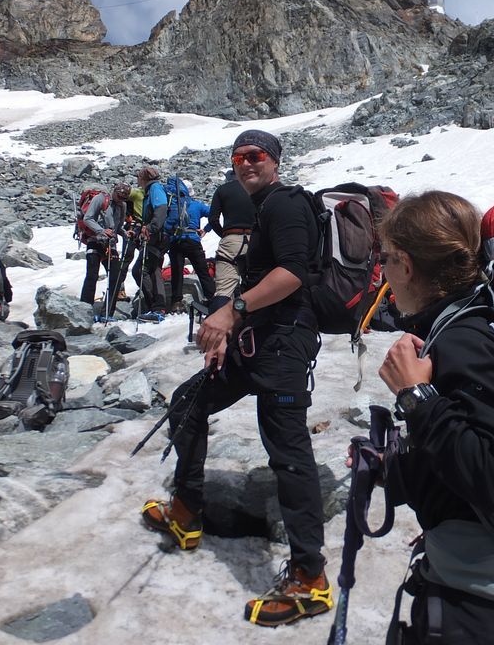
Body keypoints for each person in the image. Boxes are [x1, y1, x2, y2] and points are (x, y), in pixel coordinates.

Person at [141, 130, 330, 628]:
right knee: (187, 403)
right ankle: (186, 510)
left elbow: (292, 274)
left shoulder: (285, 204)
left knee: (288, 455)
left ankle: (310, 577)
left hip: (284, 346)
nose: (246, 163)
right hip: (259, 341)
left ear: (274, 161)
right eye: (239, 156)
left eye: (256, 156)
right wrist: (234, 325)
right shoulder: (263, 206)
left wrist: (232, 312)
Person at [374, 190, 494, 645]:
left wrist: (417, 398)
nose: (383, 272)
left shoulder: (465, 339)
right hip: (480, 581)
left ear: (408, 265)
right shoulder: (466, 321)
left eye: (387, 259)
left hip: (486, 605)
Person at [207, 169, 256, 312]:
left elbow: (213, 219)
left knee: (223, 291)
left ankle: (219, 328)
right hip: (254, 240)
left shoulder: (222, 190)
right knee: (256, 286)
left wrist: (224, 235)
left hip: (231, 239)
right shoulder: (255, 189)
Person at [79, 183, 129, 319]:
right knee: (92, 276)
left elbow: (118, 227)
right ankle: (85, 311)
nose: (120, 200)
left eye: (124, 198)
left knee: (116, 277)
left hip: (110, 245)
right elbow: (87, 218)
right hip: (94, 241)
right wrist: (101, 230)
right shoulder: (101, 199)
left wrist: (125, 233)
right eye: (119, 196)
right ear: (114, 192)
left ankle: (107, 313)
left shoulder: (122, 206)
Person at [167, 191, 215, 313]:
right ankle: (212, 299)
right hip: (193, 240)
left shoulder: (171, 205)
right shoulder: (196, 205)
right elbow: (214, 214)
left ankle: (176, 302)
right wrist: (206, 229)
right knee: (202, 271)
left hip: (175, 241)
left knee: (177, 273)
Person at [135, 168, 170, 322]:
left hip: (157, 236)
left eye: (139, 177)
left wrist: (151, 227)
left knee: (140, 270)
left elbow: (161, 209)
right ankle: (158, 307)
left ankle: (155, 307)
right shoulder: (153, 190)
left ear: (144, 178)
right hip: (160, 236)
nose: (137, 180)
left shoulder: (155, 189)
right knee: (154, 270)